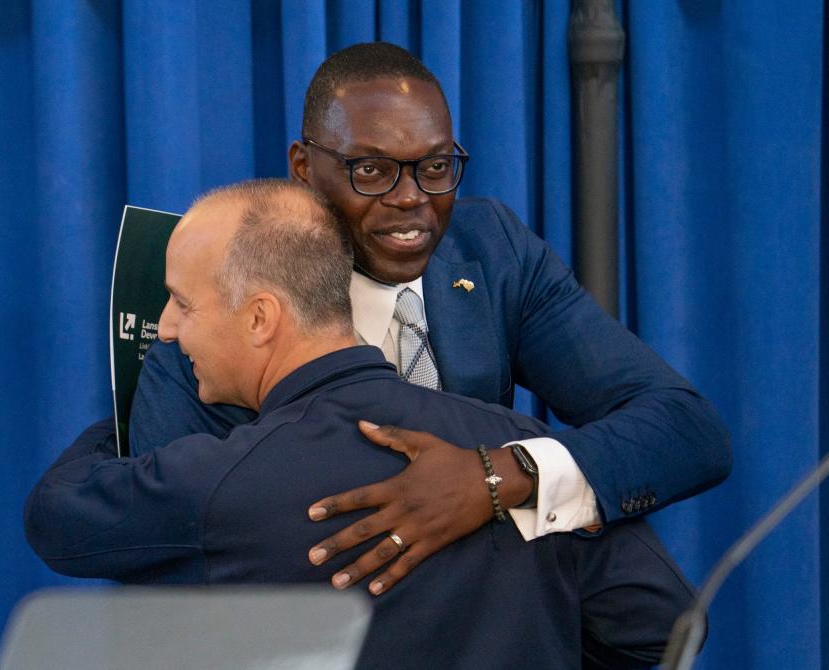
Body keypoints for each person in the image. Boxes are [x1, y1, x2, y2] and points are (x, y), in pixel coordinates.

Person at [127, 42, 732, 595]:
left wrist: (501, 476)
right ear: (305, 169)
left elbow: (686, 430)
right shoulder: (222, 296)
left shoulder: (492, 252)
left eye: (435, 167)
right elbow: (172, 548)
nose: (411, 196)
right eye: (371, 170)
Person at [26, 180, 700, 669]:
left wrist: (129, 388)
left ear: (260, 319)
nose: (168, 329)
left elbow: (57, 518)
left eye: (180, 306)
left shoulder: (219, 481)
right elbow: (663, 626)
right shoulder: (517, 452)